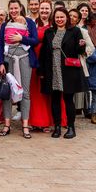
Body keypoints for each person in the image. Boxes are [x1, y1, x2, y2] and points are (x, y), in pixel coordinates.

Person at [38, 8, 89, 139]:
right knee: (54, 100)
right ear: (54, 19)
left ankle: (71, 128)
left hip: (68, 71)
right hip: (52, 70)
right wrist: (41, 71)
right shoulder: (49, 32)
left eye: (62, 17)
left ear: (67, 18)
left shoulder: (75, 31)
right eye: (57, 17)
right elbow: (43, 53)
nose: (59, 19)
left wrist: (82, 45)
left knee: (68, 100)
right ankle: (57, 127)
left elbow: (79, 50)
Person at [0, 0, 38, 139]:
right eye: (11, 8)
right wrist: (1, 63)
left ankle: (25, 126)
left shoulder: (29, 23)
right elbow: (1, 45)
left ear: (20, 8)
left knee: (25, 92)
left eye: (16, 8)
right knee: (7, 92)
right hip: (8, 59)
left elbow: (35, 40)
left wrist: (21, 38)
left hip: (25, 59)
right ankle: (7, 124)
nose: (13, 11)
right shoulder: (4, 25)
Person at [28, 0, 58, 132]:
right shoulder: (33, 24)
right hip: (34, 60)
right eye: (42, 8)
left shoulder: (54, 25)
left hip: (49, 61)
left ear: (51, 10)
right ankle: (35, 121)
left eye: (47, 9)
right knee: (34, 91)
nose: (44, 11)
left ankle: (47, 121)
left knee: (47, 91)